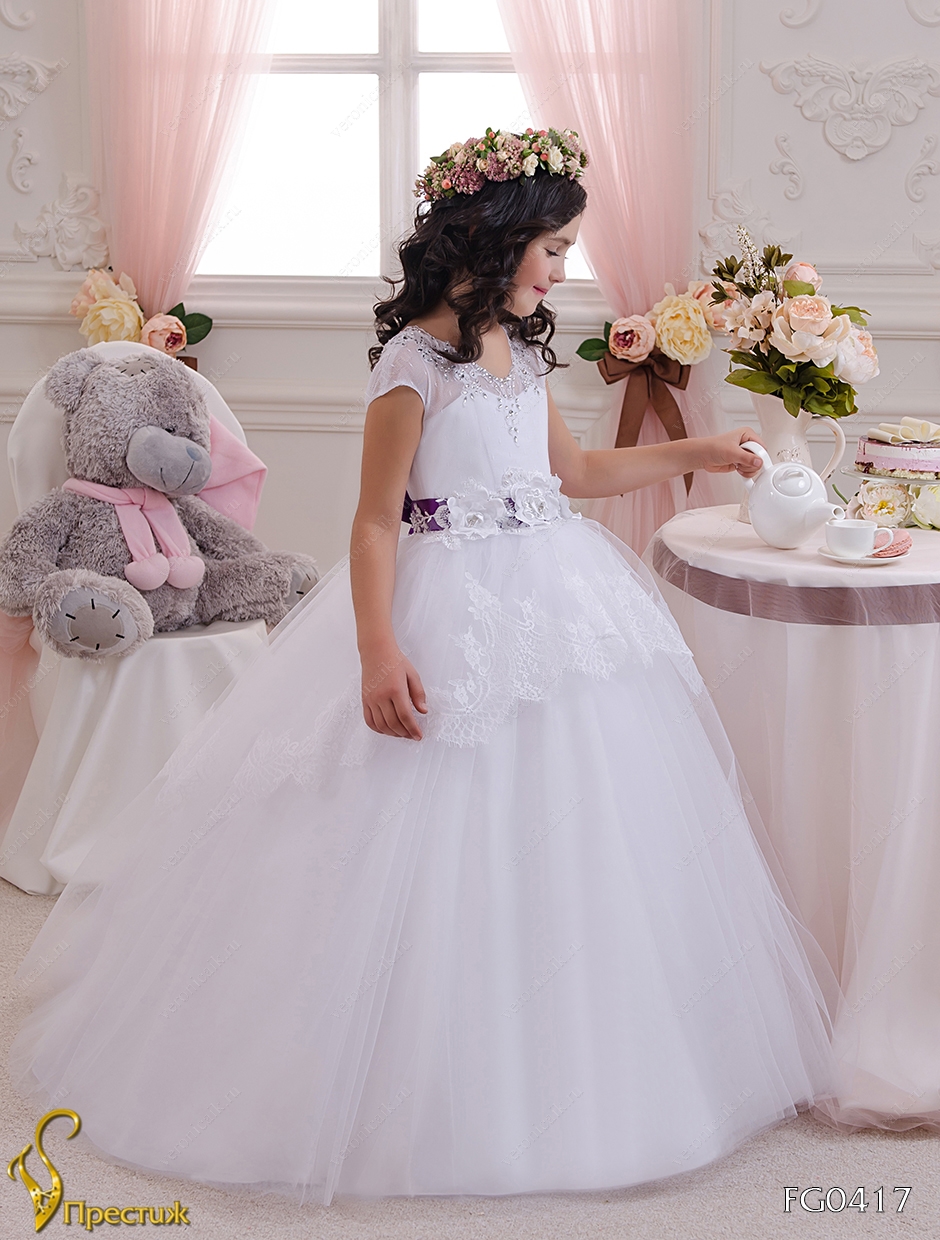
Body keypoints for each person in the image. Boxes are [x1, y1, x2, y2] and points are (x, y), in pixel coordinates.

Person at [10, 127, 836, 1207]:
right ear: (494, 237)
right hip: (450, 604)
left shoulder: (523, 351)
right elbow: (372, 523)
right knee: (421, 827)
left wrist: (701, 451)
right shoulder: (413, 364)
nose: (563, 269)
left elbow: (576, 473)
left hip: (554, 600)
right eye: (553, 247)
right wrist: (377, 648)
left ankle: (588, 1058)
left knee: (585, 824)